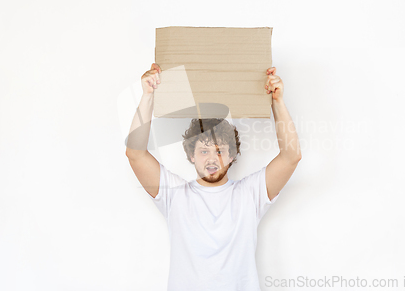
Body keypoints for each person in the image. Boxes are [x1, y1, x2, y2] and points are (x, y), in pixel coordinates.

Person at [125, 63, 302, 291]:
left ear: (231, 156)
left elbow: (291, 156)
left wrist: (277, 102)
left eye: (220, 151)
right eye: (204, 150)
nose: (211, 158)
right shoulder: (175, 194)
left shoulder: (250, 193)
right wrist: (147, 95)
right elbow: (135, 153)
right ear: (191, 155)